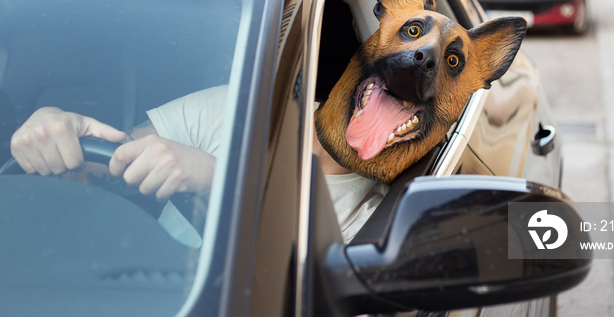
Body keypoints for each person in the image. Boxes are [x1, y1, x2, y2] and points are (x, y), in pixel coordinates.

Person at [10, 86, 387, 243]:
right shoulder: (238, 109)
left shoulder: (383, 218)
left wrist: (221, 180)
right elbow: (107, 161)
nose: (408, 77)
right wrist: (54, 126)